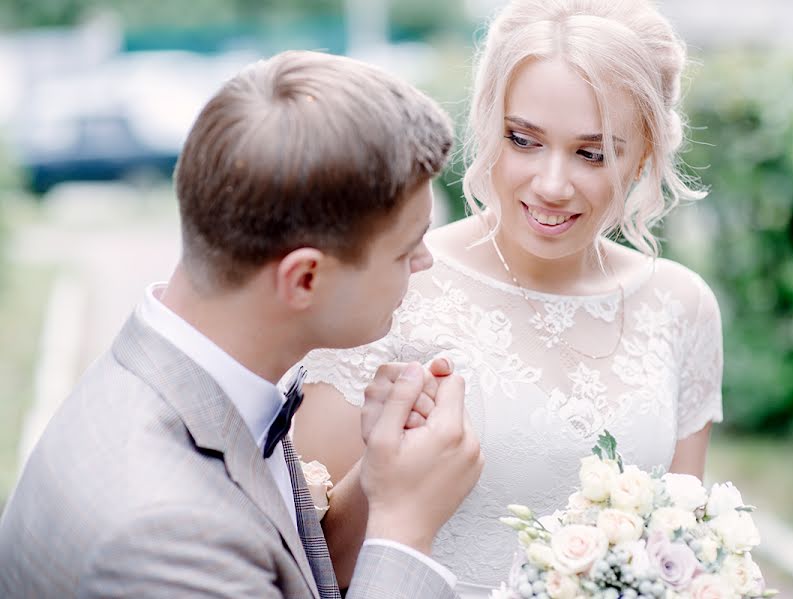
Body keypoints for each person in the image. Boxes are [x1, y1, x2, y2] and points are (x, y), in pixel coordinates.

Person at [0, 50, 483, 598]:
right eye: (404, 249)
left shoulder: (183, 381)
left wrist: (381, 479)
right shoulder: (160, 539)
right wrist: (404, 529)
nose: (425, 260)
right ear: (304, 279)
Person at [291, 0, 724, 596]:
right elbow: (309, 571)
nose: (551, 185)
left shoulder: (682, 306)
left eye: (592, 153)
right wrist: (384, 466)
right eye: (523, 140)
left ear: (644, 153)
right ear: (488, 123)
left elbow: (680, 552)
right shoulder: (390, 290)